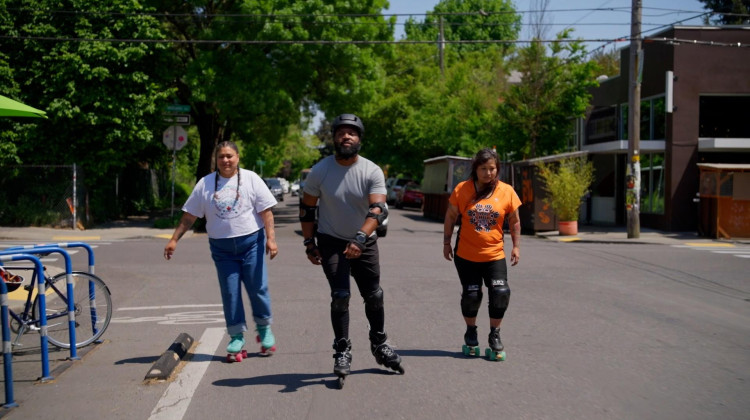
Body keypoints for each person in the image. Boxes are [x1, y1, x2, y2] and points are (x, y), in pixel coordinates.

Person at [300, 113, 404, 381]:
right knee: (340, 296)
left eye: (352, 133)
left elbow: (378, 208)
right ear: (334, 138)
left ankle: (380, 343)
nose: (346, 136)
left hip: (364, 240)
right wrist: (309, 242)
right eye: (341, 132)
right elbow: (307, 209)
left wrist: (360, 237)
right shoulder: (320, 171)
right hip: (331, 241)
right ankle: (342, 349)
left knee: (374, 295)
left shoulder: (371, 170)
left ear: (359, 139)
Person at [164, 141, 279, 359]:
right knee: (230, 293)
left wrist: (271, 240)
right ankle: (236, 337)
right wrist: (174, 240)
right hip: (222, 248)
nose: (225, 160)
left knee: (258, 288)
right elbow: (189, 216)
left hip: (251, 243)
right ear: (216, 160)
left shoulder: (251, 179)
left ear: (237, 157)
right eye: (221, 157)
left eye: (229, 156)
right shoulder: (205, 184)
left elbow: (266, 212)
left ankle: (264, 330)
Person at [442, 148, 521, 358]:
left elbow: (514, 221)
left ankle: (495, 334)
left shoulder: (507, 191)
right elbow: (450, 216)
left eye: (492, 169)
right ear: (476, 169)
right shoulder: (462, 189)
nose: (488, 173)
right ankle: (471, 330)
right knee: (472, 295)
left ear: (497, 169)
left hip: (494, 255)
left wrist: (516, 246)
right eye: (483, 168)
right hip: (466, 255)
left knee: (501, 293)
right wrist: (446, 243)